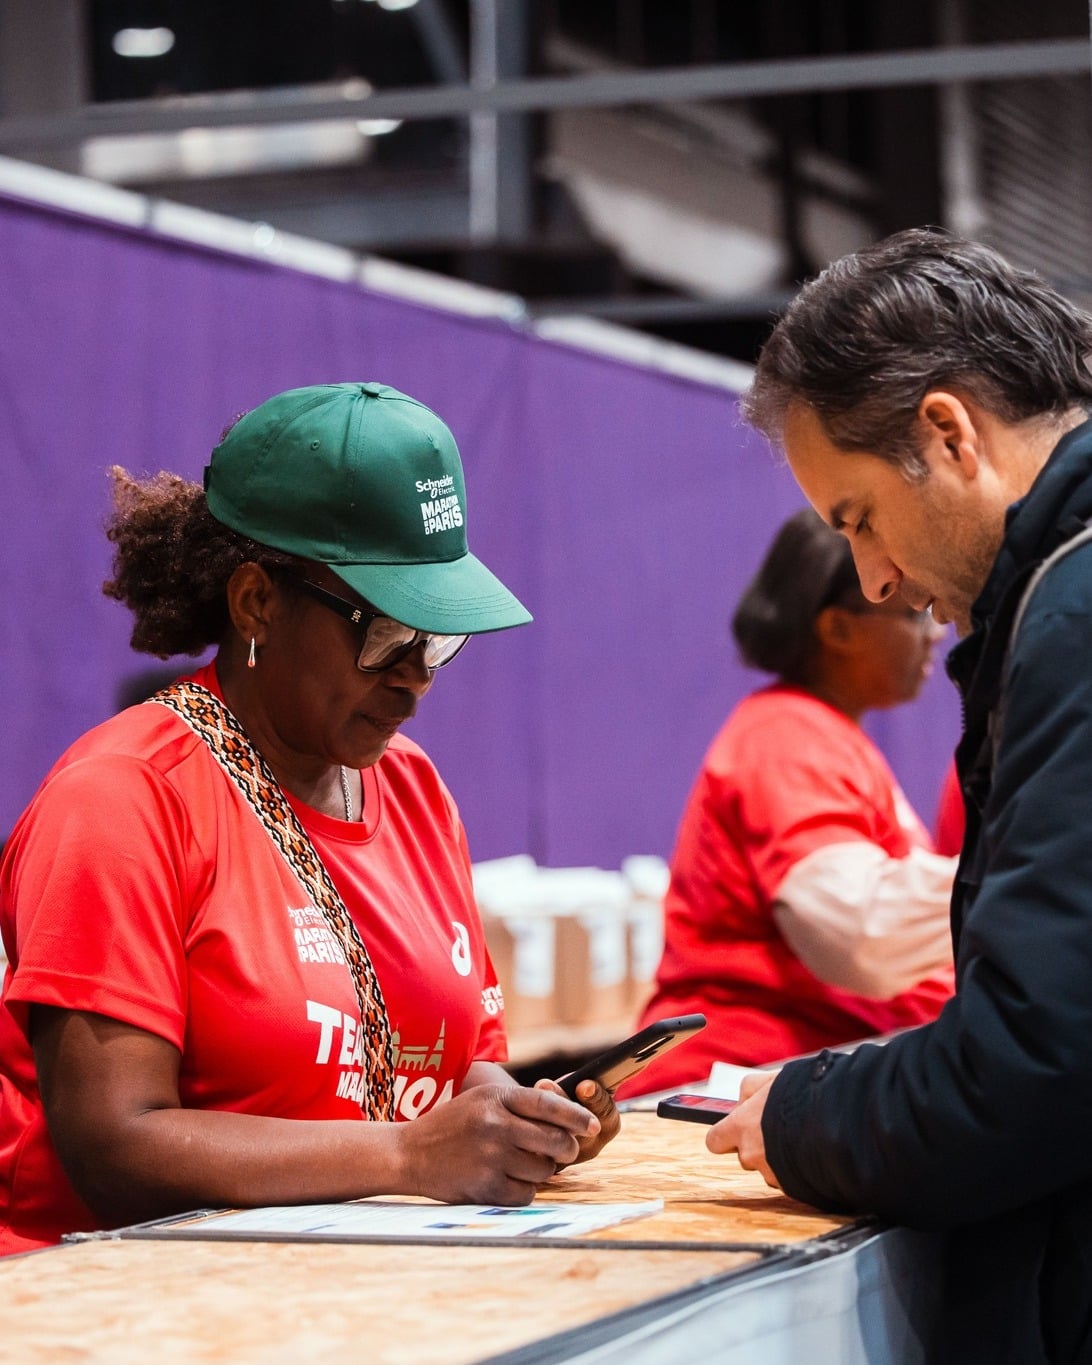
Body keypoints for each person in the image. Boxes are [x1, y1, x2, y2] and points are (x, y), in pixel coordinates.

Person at [0, 381, 618, 1257]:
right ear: (256, 602)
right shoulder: (123, 798)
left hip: (335, 1293)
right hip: (114, 1309)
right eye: (386, 634)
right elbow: (114, 1144)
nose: (416, 677)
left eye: (439, 639)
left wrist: (522, 1121)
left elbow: (456, 1068)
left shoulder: (412, 788)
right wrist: (406, 1155)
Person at [706, 228, 1092, 1363]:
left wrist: (811, 1112)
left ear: (947, 432)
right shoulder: (793, 735)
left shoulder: (1070, 618)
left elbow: (1038, 1060)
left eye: (860, 517)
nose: (879, 580)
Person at [619, 507, 954, 1098]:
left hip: (791, 1074)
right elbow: (862, 936)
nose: (934, 631)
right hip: (730, 1085)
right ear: (838, 629)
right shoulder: (786, 737)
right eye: (911, 612)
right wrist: (1024, 873)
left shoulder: (823, 735)